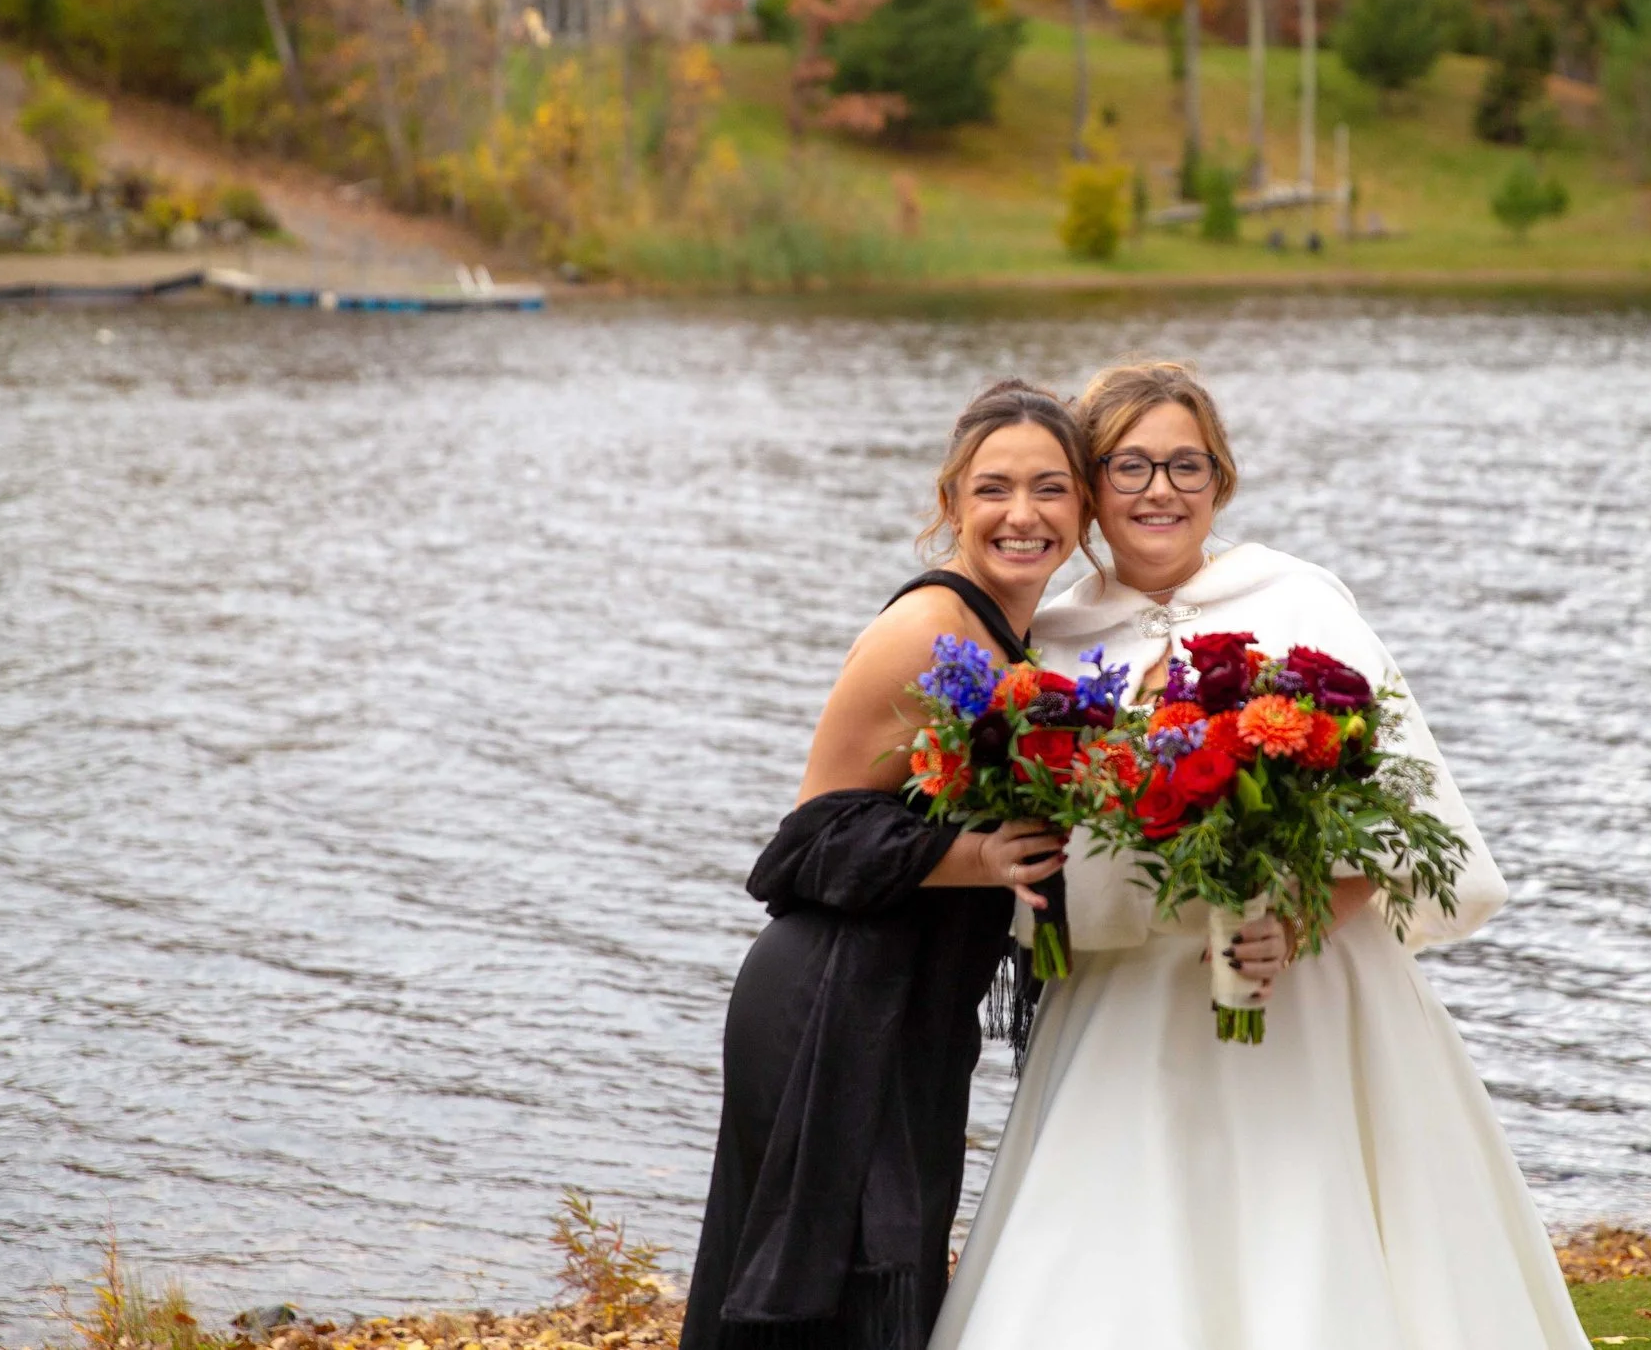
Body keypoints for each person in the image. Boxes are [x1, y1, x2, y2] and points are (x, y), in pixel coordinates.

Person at [930, 361, 1591, 1350]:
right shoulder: (1049, 641)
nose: (1161, 489)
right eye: (1131, 465)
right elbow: (1028, 838)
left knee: (1321, 1235)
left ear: (1221, 479)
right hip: (1123, 1003)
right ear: (1090, 487)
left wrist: (1296, 909)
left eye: (1187, 464)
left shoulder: (1301, 603)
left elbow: (1407, 815)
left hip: (1312, 992)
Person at [681, 380, 1089, 1350]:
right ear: (950, 500)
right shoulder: (932, 626)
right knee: (843, 1286)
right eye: (993, 487)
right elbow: (801, 844)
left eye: (1049, 487)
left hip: (907, 1008)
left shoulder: (1021, 635)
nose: (1021, 513)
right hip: (830, 1000)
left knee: (886, 1276)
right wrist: (977, 853)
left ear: (1083, 507)